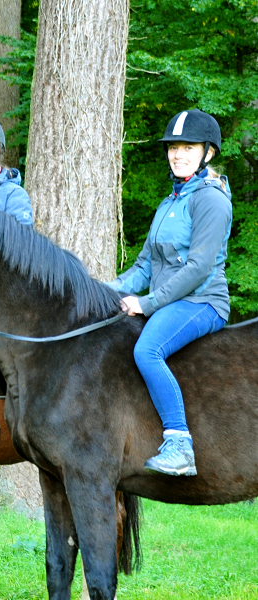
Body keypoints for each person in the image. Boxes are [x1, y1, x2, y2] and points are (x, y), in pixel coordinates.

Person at [107, 109, 232, 477]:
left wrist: (146, 303)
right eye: (173, 147)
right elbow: (145, 265)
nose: (177, 154)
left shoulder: (210, 200)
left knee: (147, 349)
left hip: (202, 301)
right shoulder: (169, 202)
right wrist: (103, 291)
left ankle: (179, 444)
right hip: (171, 300)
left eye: (187, 147)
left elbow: (198, 269)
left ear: (208, 152)